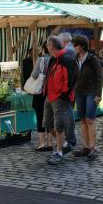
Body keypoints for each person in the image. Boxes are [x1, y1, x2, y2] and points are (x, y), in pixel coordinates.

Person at [42, 36, 77, 165]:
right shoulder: (53, 59)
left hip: (60, 97)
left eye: (47, 44)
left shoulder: (65, 59)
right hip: (50, 96)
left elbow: (71, 79)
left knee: (59, 126)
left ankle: (59, 152)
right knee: (47, 123)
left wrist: (64, 94)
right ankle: (64, 144)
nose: (46, 46)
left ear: (51, 46)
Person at [72, 35, 103, 159]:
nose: (74, 47)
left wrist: (98, 94)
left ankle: (93, 147)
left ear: (82, 46)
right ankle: (85, 146)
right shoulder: (75, 59)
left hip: (91, 91)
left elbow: (100, 76)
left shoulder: (92, 59)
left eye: (76, 45)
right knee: (82, 119)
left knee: (90, 119)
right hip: (79, 92)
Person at [57, 32, 77, 150]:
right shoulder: (71, 49)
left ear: (63, 41)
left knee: (68, 112)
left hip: (69, 87)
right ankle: (68, 139)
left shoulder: (68, 51)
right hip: (71, 86)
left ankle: (70, 139)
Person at [29, 42, 51, 151]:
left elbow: (34, 75)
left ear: (43, 48)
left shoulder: (41, 59)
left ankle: (42, 143)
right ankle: (50, 143)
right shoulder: (55, 59)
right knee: (50, 117)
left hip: (40, 92)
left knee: (40, 117)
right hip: (51, 92)